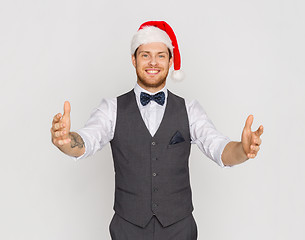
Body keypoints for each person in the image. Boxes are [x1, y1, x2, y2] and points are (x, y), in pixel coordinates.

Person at [50, 21, 263, 240]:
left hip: (179, 228)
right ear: (134, 60)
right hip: (128, 228)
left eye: (161, 55)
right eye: (145, 55)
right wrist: (66, 141)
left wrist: (242, 150)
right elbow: (86, 140)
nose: (153, 62)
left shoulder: (189, 109)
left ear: (170, 61)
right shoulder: (111, 109)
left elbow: (219, 148)